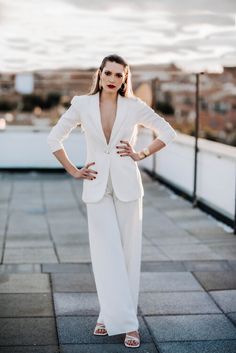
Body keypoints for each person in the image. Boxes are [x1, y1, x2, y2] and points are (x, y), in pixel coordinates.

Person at [47, 54, 177, 348]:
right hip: (96, 186)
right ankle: (116, 316)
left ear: (125, 79)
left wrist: (140, 154)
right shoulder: (82, 104)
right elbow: (54, 139)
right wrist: (74, 170)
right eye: (109, 73)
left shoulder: (134, 106)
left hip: (128, 187)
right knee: (105, 255)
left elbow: (168, 133)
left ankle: (117, 319)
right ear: (100, 73)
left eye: (120, 75)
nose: (113, 79)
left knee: (128, 254)